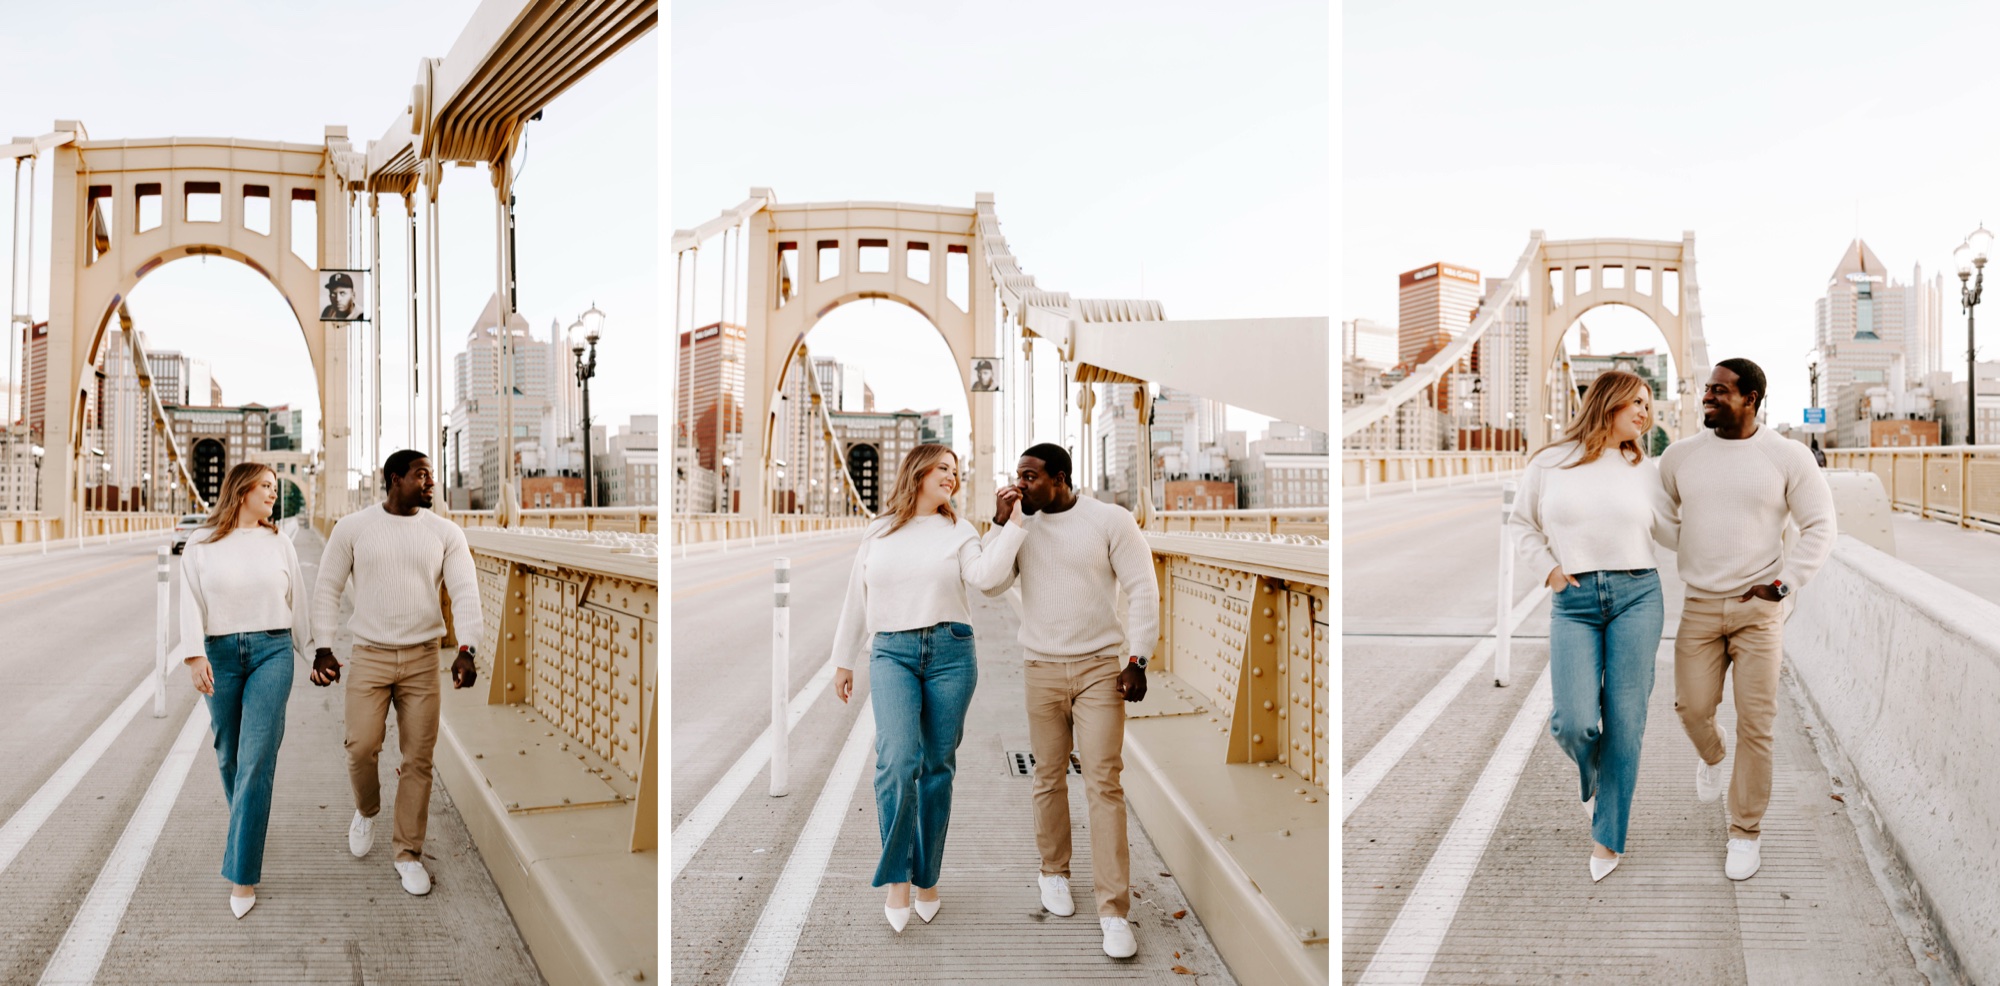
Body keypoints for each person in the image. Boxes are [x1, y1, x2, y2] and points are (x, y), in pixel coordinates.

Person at [830, 443, 1027, 933]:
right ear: (917, 471)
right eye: (943, 468)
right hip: (892, 652)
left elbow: (985, 577)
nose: (952, 477)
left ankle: (928, 878)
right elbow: (859, 596)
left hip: (951, 653)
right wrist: (843, 659)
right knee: (897, 762)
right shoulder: (878, 531)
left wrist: (1006, 524)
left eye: (956, 472)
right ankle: (898, 876)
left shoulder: (960, 531)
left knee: (937, 768)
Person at [1660, 358, 1836, 881]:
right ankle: (1712, 757)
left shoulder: (1787, 457)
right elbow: (1657, 515)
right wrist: (1694, 547)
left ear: (1752, 397)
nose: (1707, 398)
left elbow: (1821, 526)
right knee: (1692, 710)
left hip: (1760, 611)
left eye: (1719, 391)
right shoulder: (1679, 456)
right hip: (1699, 605)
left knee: (1758, 725)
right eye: (1706, 390)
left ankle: (1745, 832)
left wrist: (1784, 584)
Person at [984, 442, 1158, 959]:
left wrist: (1139, 659)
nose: (1020, 485)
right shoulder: (1021, 524)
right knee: (1048, 776)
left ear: (1059, 478)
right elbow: (990, 584)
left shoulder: (1110, 520)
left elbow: (1143, 588)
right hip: (1040, 668)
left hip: (1099, 671)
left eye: (1030, 477)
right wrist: (1000, 524)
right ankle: (1053, 873)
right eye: (1017, 476)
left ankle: (1114, 911)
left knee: (1103, 782)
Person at [1510, 370, 1672, 882]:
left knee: (1626, 722)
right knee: (1573, 721)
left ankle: (1608, 838)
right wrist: (1550, 571)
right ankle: (1596, 780)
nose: (1647, 412)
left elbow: (1678, 532)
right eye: (1637, 402)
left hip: (1638, 595)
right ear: (1607, 402)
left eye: (1650, 403)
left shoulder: (1648, 469)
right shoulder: (1548, 462)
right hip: (1574, 601)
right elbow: (1522, 524)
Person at [308, 450, 484, 896]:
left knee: (418, 761)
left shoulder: (446, 532)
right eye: (423, 476)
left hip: (424, 659)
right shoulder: (353, 528)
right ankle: (367, 810)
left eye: (433, 477)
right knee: (360, 746)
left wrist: (467, 648)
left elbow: (465, 590)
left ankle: (407, 854)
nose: (432, 484)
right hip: (369, 655)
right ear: (394, 479)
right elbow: (327, 586)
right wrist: (322, 646)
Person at [176, 462, 313, 918]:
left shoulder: (279, 542)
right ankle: (248, 823)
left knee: (256, 758)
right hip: (218, 654)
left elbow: (299, 602)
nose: (274, 494)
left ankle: (242, 875)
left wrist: (314, 653)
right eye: (267, 486)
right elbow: (190, 601)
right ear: (241, 491)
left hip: (272, 651)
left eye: (276, 487)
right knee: (228, 754)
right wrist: (194, 656)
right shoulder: (200, 544)